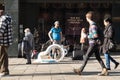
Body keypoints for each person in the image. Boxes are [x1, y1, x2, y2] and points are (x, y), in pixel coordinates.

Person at [73, 11, 108, 76]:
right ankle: (104, 69)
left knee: (86, 56)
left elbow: (95, 35)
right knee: (98, 57)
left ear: (87, 18)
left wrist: (86, 36)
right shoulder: (94, 24)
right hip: (96, 43)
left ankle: (80, 70)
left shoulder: (92, 26)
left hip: (93, 43)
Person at [0, 4, 13, 77]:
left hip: (2, 41)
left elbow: (0, 31)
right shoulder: (8, 18)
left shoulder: (3, 19)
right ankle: (5, 71)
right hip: (6, 41)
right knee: (4, 56)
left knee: (2, 57)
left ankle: (3, 72)